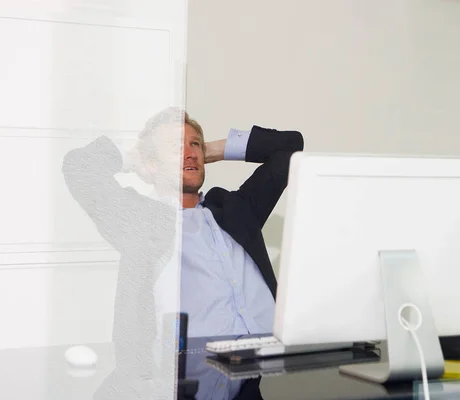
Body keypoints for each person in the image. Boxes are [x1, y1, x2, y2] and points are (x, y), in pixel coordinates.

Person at [62, 107, 303, 399]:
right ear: (150, 164)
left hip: (261, 375)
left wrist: (213, 149)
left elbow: (291, 147)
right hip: (182, 382)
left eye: (193, 144)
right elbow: (79, 167)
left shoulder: (234, 209)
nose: (189, 153)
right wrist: (134, 156)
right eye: (176, 146)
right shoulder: (139, 219)